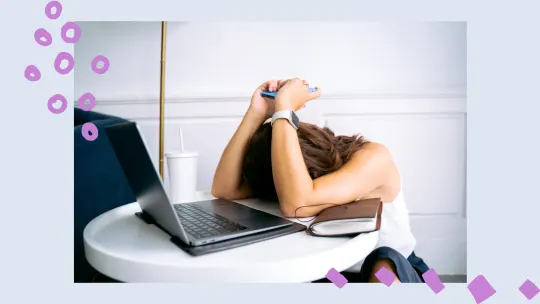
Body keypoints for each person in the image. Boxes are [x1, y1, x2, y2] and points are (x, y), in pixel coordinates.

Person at [211, 79, 429, 283]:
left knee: (382, 265)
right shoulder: (285, 181)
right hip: (336, 276)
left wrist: (285, 108)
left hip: (406, 272)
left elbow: (298, 204)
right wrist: (258, 112)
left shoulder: (374, 157)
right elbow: (225, 189)